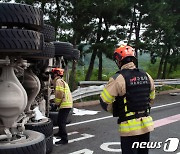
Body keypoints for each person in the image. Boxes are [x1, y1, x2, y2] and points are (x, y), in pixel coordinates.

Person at [100, 45, 155, 154]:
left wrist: (116, 109)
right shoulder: (147, 76)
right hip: (146, 126)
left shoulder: (118, 78)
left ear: (120, 60)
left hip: (129, 129)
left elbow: (104, 100)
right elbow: (151, 99)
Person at [51, 68, 73, 145]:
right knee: (60, 119)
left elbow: (59, 93)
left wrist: (56, 104)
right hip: (66, 103)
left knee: (61, 122)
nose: (52, 75)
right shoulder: (62, 81)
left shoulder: (58, 81)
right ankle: (60, 133)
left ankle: (64, 139)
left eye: (53, 74)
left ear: (56, 74)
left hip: (65, 104)